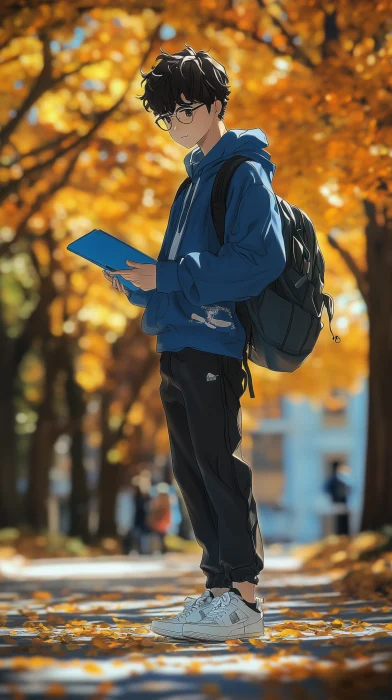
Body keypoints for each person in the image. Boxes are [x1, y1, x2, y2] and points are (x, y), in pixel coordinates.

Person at [104, 45, 285, 642]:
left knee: (217, 463)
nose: (177, 123)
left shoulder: (242, 171)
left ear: (213, 104)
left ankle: (245, 597)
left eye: (184, 110)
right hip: (176, 343)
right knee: (189, 470)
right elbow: (177, 276)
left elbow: (259, 260)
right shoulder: (191, 184)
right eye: (167, 115)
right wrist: (139, 283)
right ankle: (217, 592)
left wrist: (171, 275)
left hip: (214, 342)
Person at [324, 460, 352, 535]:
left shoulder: (345, 479)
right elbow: (326, 489)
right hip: (336, 503)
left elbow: (349, 489)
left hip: (343, 503)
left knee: (344, 522)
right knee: (337, 522)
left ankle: (344, 536)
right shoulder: (333, 479)